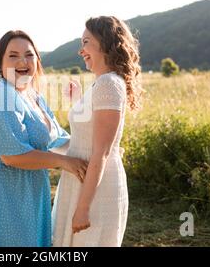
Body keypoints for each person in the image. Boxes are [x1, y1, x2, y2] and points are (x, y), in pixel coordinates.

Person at [0, 30, 88, 247]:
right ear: (0, 64)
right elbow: (12, 156)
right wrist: (64, 163)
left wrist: (94, 147)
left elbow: (57, 140)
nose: (22, 61)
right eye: (13, 55)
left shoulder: (33, 96)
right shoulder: (1, 95)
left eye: (29, 55)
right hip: (2, 192)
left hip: (29, 190)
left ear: (37, 61)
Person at [52, 16, 142, 246]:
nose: (81, 51)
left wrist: (83, 208)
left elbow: (101, 151)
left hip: (94, 191)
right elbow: (90, 133)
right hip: (84, 182)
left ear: (105, 42)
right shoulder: (102, 83)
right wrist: (79, 100)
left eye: (85, 42)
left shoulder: (108, 84)